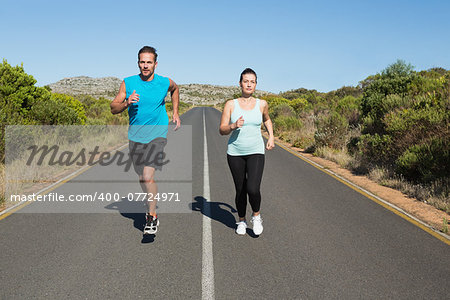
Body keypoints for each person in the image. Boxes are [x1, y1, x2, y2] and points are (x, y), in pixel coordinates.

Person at [110, 46, 181, 234]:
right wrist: (126, 103)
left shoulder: (164, 82)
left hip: (157, 135)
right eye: (142, 62)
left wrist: (175, 112)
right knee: (142, 177)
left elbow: (175, 89)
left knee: (148, 176)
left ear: (155, 64)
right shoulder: (128, 82)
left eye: (149, 62)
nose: (145, 65)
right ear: (138, 63)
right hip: (135, 137)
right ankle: (151, 200)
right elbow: (113, 107)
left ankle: (151, 217)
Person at [219, 68, 274, 235]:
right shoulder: (231, 104)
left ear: (256, 84)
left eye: (252, 81)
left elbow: (267, 119)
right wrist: (233, 126)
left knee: (253, 188)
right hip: (235, 152)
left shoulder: (262, 104)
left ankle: (256, 216)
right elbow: (222, 129)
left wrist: (271, 136)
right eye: (246, 81)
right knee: (240, 189)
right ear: (240, 83)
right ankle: (241, 220)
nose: (249, 84)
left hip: (256, 150)